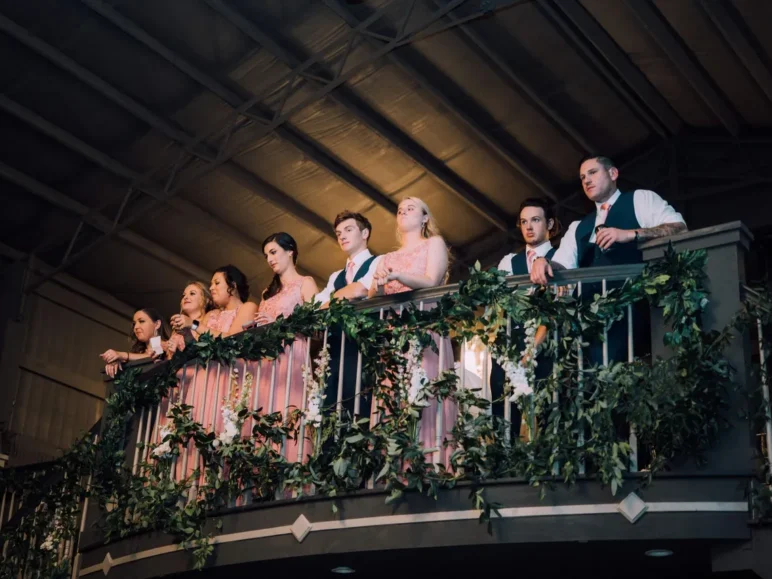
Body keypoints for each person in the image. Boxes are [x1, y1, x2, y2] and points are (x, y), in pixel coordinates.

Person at [530, 154, 687, 364]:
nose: (586, 180)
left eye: (593, 173)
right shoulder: (579, 227)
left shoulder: (640, 199)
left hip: (636, 318)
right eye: (582, 177)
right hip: (589, 329)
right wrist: (544, 262)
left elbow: (679, 228)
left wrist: (630, 234)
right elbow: (562, 265)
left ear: (613, 173)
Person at [368, 197, 456, 465]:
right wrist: (381, 282)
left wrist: (399, 277)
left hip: (424, 329)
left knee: (426, 392)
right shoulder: (387, 257)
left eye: (411, 208)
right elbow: (374, 294)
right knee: (394, 396)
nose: (403, 211)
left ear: (425, 217)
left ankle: (431, 464)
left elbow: (431, 280)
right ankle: (394, 466)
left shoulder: (434, 243)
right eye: (400, 209)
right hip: (395, 335)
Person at [490, 198, 557, 438]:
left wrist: (534, 346)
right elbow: (497, 302)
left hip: (549, 343)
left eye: (535, 220)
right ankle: (504, 463)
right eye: (524, 222)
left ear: (549, 223)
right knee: (502, 408)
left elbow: (557, 305)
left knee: (548, 406)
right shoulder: (509, 261)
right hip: (509, 344)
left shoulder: (561, 256)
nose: (529, 227)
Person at [254, 233, 318, 463]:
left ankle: (294, 465)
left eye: (273, 252)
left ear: (290, 251)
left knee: (290, 410)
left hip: (293, 354)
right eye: (266, 255)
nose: (269, 259)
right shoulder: (266, 294)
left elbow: (315, 325)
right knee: (267, 410)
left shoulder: (305, 282)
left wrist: (279, 324)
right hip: (268, 360)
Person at [315, 211, 378, 426]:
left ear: (365, 233)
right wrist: (334, 299)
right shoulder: (336, 276)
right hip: (336, 348)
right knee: (331, 407)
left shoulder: (379, 261)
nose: (341, 236)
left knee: (361, 407)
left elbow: (360, 289)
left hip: (364, 347)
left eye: (348, 230)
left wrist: (330, 301)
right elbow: (315, 306)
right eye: (338, 233)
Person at [100, 308, 171, 378]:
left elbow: (154, 355)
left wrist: (121, 355)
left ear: (157, 324)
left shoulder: (168, 346)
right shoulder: (137, 352)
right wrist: (116, 363)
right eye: (134, 324)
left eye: (142, 321)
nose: (136, 327)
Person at [165, 281, 214, 356]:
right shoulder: (177, 330)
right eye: (183, 295)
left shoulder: (211, 318)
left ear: (206, 300)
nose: (185, 297)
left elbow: (207, 351)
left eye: (192, 293)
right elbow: (170, 360)